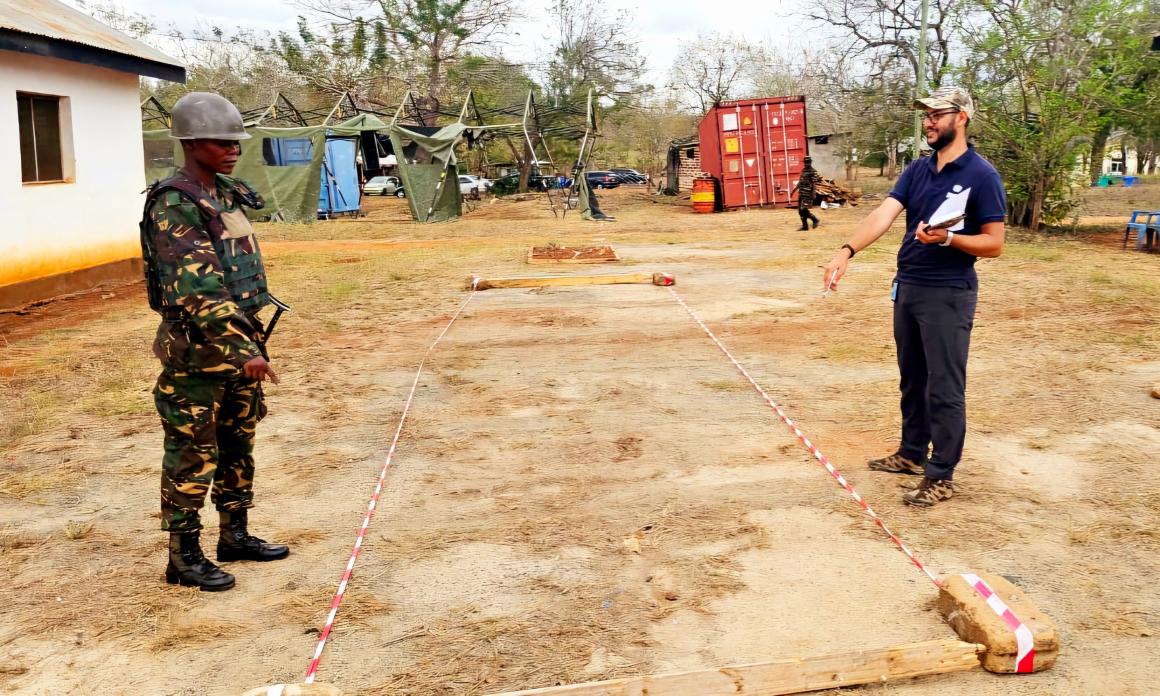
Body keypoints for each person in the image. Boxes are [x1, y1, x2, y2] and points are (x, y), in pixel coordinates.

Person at [820, 86, 1006, 507]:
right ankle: (911, 453)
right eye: (926, 115)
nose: (928, 122)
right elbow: (883, 214)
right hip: (909, 285)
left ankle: (941, 475)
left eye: (937, 115)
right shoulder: (918, 170)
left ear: (961, 118)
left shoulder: (982, 175)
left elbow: (994, 243)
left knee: (944, 386)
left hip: (948, 292)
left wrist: (950, 239)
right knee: (913, 378)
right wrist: (846, 250)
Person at [140, 92, 289, 591]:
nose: (233, 150)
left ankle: (234, 534)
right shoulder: (175, 202)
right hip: (198, 354)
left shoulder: (223, 193)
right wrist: (244, 350)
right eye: (221, 142)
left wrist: (249, 346)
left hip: (239, 343)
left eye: (236, 141)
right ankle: (183, 558)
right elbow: (199, 289)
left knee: (237, 444)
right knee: (192, 453)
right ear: (189, 142)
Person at [792, 157, 821, 230]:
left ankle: (815, 220)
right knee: (800, 211)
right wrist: (794, 190)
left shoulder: (813, 171)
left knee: (803, 209)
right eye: (805, 162)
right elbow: (800, 181)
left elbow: (814, 184)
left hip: (808, 194)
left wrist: (813, 193)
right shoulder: (803, 170)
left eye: (808, 162)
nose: (806, 164)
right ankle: (805, 226)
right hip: (801, 193)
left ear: (811, 162)